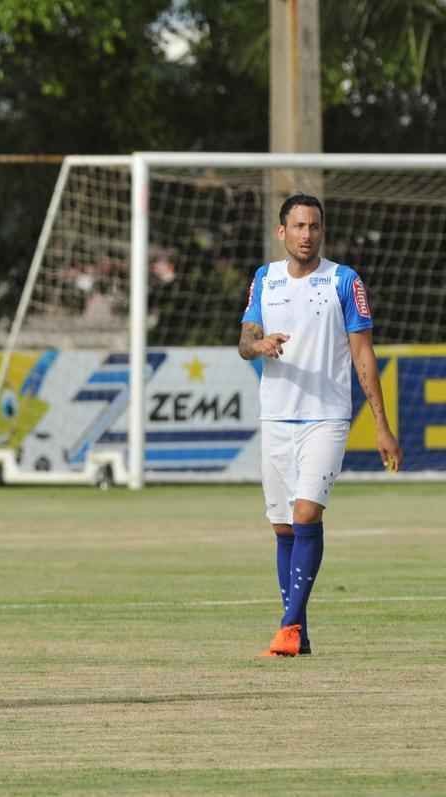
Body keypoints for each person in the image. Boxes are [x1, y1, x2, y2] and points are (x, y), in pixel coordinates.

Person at [238, 194, 401, 656]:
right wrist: (260, 344)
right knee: (284, 529)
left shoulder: (344, 281)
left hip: (327, 417)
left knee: (307, 514)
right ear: (282, 232)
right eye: (299, 226)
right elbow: (244, 341)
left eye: (314, 226)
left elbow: (363, 354)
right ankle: (299, 634)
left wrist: (381, 426)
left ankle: (288, 627)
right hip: (275, 416)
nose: (307, 234)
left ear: (321, 231)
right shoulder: (264, 279)